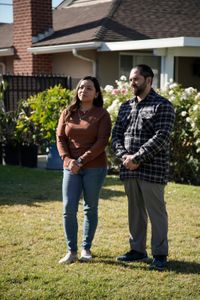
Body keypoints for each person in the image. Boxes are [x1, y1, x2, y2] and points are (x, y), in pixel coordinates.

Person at [112, 64, 175, 271]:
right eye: (130, 79)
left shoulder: (162, 105)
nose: (132, 83)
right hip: (128, 169)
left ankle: (160, 254)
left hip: (152, 169)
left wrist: (137, 158)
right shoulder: (125, 106)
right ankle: (137, 250)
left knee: (156, 213)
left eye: (136, 79)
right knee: (135, 212)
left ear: (149, 80)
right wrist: (124, 157)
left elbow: (161, 137)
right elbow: (116, 136)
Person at [57, 76, 111, 264]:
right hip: (70, 167)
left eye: (88, 88)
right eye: (81, 87)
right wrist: (67, 159)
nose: (83, 91)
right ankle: (71, 251)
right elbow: (60, 138)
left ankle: (86, 248)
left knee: (90, 208)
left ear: (96, 93)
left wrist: (80, 160)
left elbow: (102, 142)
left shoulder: (102, 115)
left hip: (94, 168)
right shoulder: (67, 113)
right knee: (68, 208)